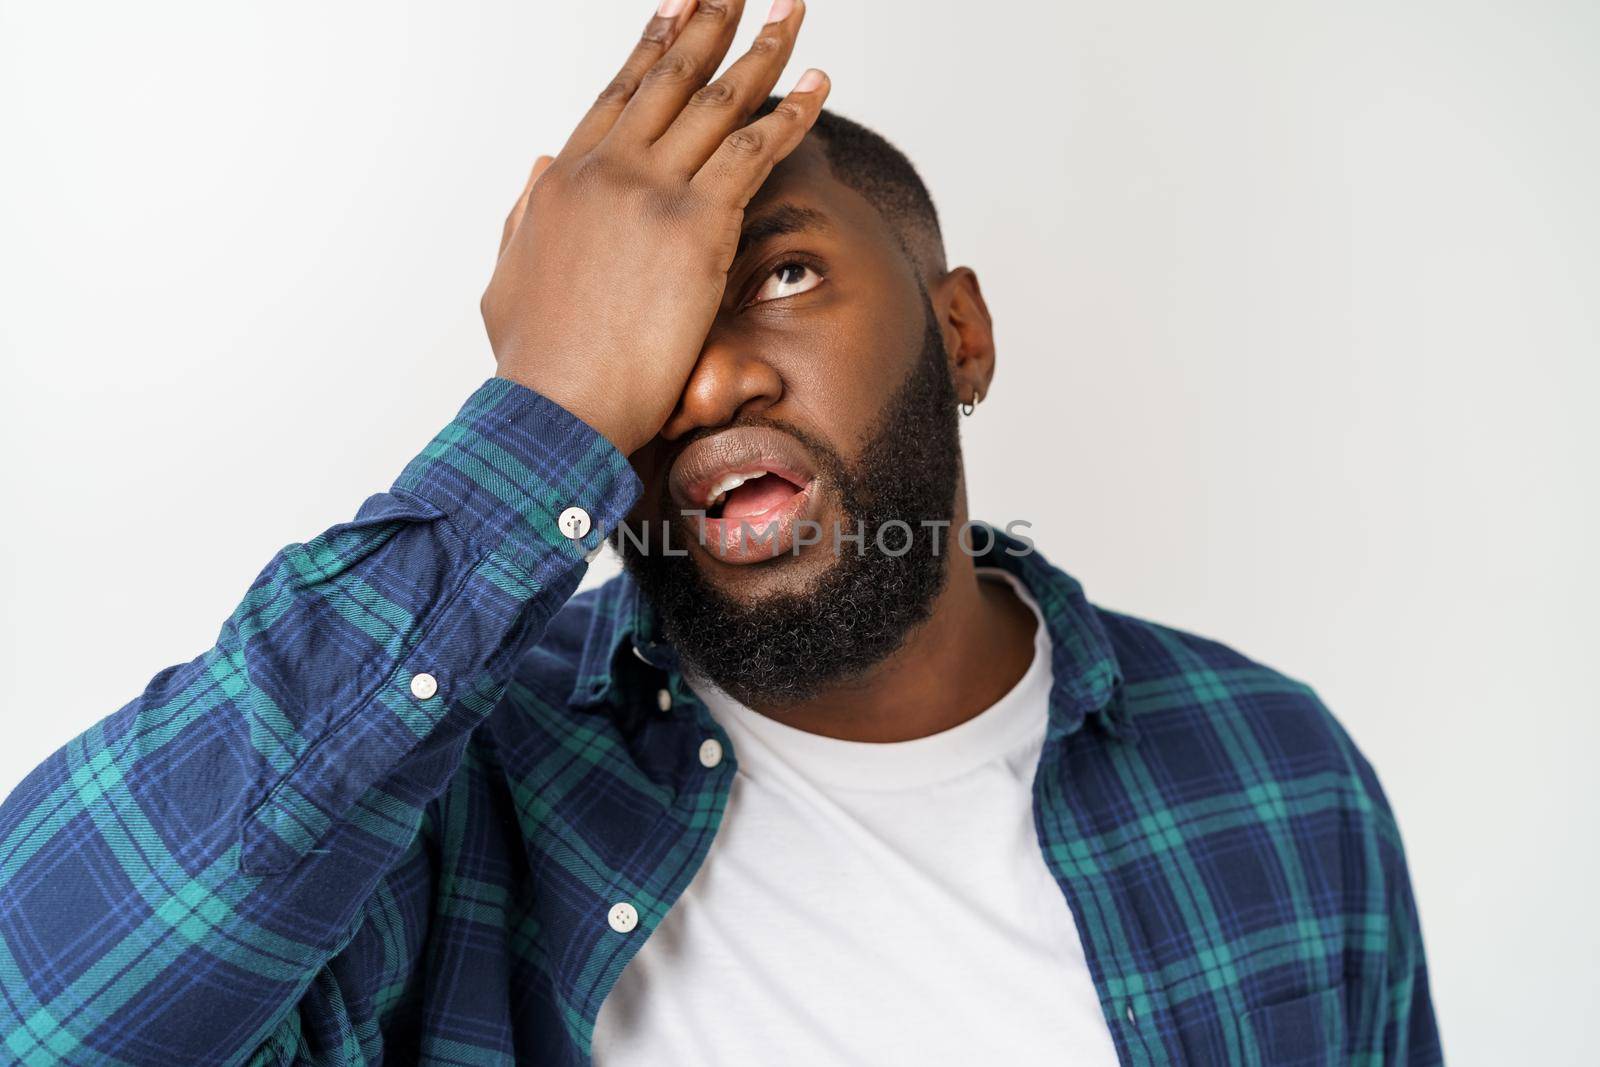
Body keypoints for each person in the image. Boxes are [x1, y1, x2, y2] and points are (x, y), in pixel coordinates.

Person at [0, 0, 1442, 1063]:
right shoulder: (443, 802)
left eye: (787, 276)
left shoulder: (1281, 778)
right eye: (647, 325)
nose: (704, 379)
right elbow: (42, 1013)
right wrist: (541, 413)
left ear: (962, 335)